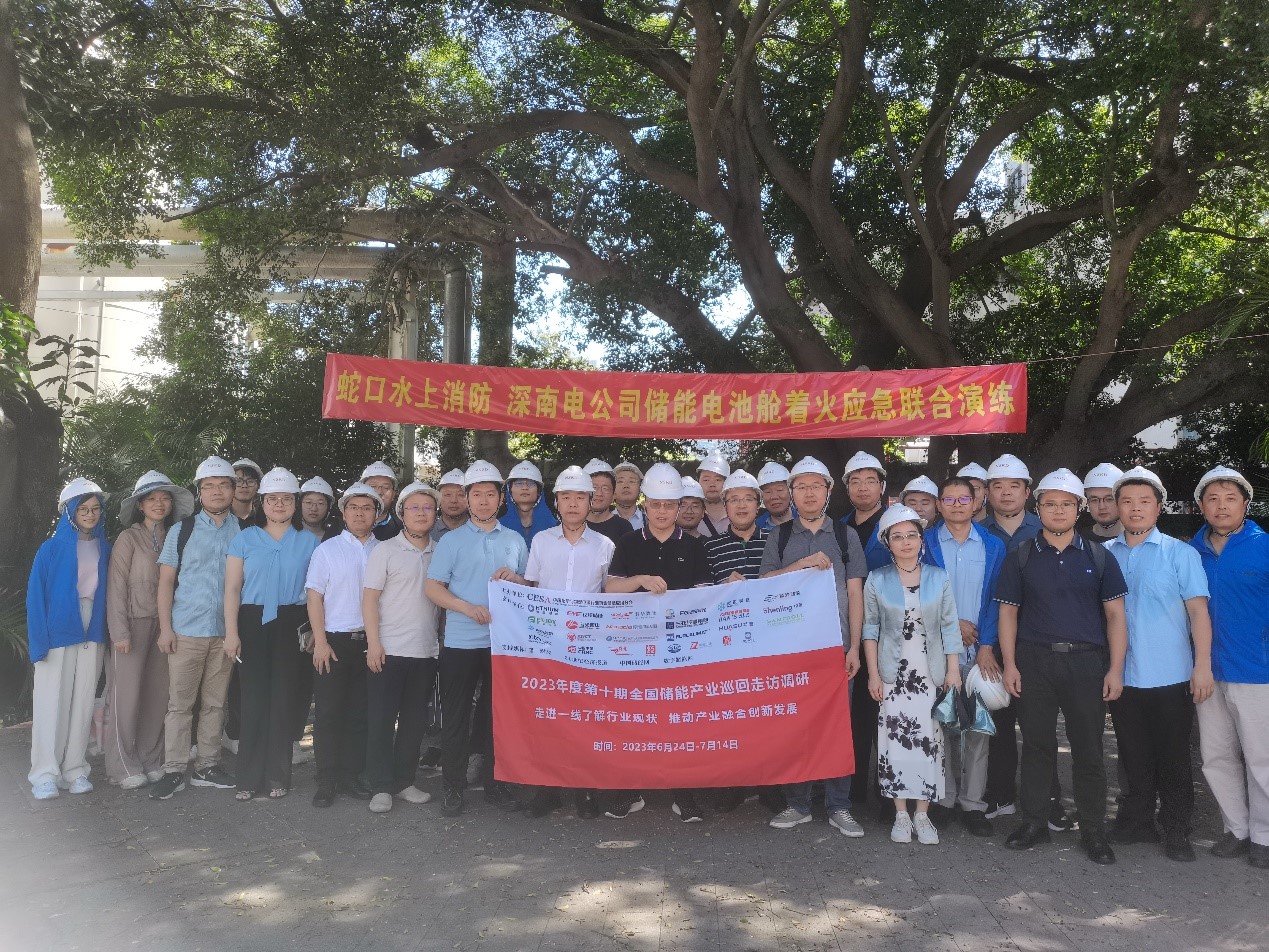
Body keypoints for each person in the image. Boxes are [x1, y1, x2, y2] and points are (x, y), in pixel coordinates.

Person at [996, 468, 1128, 865]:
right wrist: (1010, 664)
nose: (1058, 510)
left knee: (1089, 749)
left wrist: (1115, 669)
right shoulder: (1020, 556)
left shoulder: (1099, 556)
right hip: (1034, 661)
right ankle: (1034, 822)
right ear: (1038, 508)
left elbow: (1116, 616)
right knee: (1037, 746)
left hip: (1087, 663)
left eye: (1066, 504)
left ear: (1079, 508)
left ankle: (1093, 830)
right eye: (1050, 504)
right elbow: (1008, 614)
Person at [1103, 466, 1212, 862]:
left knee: (1174, 757)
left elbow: (1198, 613)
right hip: (1123, 676)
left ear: (1159, 507)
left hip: (1171, 674)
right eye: (1127, 501)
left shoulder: (1180, 554)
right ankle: (1138, 822)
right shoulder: (1104, 554)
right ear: (1116, 507)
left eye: (1144, 501)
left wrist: (1202, 665)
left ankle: (1177, 829)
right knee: (1133, 756)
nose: (1135, 508)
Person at [761, 456, 868, 837]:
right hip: (793, 650)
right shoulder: (780, 536)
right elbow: (766, 584)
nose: (809, 494)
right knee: (796, 726)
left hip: (836, 648)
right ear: (792, 493)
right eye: (801, 487)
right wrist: (802, 565)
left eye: (816, 486)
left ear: (828, 491)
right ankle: (798, 804)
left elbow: (855, 594)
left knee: (838, 728)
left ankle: (839, 805)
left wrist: (854, 647)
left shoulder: (844, 535)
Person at [605, 462, 712, 820]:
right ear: (645, 505)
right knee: (633, 720)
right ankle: (630, 791)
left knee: (682, 722)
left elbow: (705, 595)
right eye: (656, 504)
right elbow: (611, 588)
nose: (662, 511)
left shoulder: (695, 546)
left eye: (669, 505)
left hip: (682, 650)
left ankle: (685, 793)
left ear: (679, 506)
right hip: (636, 649)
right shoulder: (628, 542)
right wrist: (640, 580)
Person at [426, 460, 529, 817]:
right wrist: (467, 609)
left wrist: (518, 580)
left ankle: (494, 784)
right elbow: (433, 588)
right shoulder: (451, 541)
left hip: (503, 644)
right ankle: (452, 786)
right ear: (467, 499)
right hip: (460, 642)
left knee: (496, 716)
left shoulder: (514, 540)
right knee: (455, 716)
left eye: (490, 494)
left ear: (501, 498)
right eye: (477, 495)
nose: (484, 501)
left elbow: (531, 587)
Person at [520, 466, 616, 819]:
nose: (573, 504)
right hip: (548, 645)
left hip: (589, 646)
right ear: (556, 502)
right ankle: (547, 790)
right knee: (547, 718)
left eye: (580, 497)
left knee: (585, 718)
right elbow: (531, 588)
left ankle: (584, 789)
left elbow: (611, 593)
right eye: (565, 497)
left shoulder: (605, 545)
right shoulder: (541, 541)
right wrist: (509, 583)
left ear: (591, 502)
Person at [863, 505, 961, 845]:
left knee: (929, 742)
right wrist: (873, 674)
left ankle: (923, 814)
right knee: (894, 742)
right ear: (887, 542)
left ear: (921, 540)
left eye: (912, 535)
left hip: (930, 673)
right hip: (893, 675)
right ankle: (901, 814)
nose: (905, 542)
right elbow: (870, 629)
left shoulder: (938, 576)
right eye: (897, 536)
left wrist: (953, 670)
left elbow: (949, 626)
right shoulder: (877, 579)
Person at [1189, 466, 1269, 868]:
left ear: (1246, 504)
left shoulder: (1264, 546)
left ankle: (1265, 836)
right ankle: (1235, 829)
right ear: (1201, 506)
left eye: (1230, 498)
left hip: (1257, 670)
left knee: (1261, 757)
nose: (1222, 506)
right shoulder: (1190, 551)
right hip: (1205, 670)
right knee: (1216, 755)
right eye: (1213, 499)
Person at [223, 468, 319, 801]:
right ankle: (248, 779)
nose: (279, 504)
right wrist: (232, 632)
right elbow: (232, 589)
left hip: (292, 622)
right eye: (273, 499)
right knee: (253, 699)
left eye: (286, 499)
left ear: (295, 503)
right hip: (252, 621)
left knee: (283, 699)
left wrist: (314, 630)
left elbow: (316, 592)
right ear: (262, 502)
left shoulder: (309, 542)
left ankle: (279, 776)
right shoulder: (244, 539)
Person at [150, 456, 242, 800]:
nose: (217, 491)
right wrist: (165, 628)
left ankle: (207, 766)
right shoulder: (182, 530)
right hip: (186, 631)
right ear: (199, 492)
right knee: (180, 705)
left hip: (225, 634)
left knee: (215, 704)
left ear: (233, 490)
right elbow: (165, 583)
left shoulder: (244, 531)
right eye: (209, 486)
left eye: (224, 485)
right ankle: (174, 770)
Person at [922, 475, 1006, 837]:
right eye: (949, 499)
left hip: (978, 652)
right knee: (939, 726)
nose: (956, 505)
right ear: (939, 505)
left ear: (976, 503)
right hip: (935, 650)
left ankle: (973, 804)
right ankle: (943, 800)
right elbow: (917, 593)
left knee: (977, 728)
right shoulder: (924, 542)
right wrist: (951, 624)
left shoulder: (993, 545)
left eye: (963, 499)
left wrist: (986, 645)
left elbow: (998, 599)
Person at [103, 471, 193, 789]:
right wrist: (120, 632)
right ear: (140, 505)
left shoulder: (177, 536)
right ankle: (121, 765)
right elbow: (116, 587)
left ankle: (151, 758)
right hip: (132, 624)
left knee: (158, 695)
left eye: (164, 498)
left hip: (166, 626)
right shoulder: (128, 538)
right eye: (152, 498)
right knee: (125, 697)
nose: (159, 503)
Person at [703, 469, 783, 816]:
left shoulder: (776, 540)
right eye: (733, 499)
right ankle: (732, 784)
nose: (741, 505)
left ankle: (770, 786)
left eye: (748, 499)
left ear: (758, 504)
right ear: (725, 506)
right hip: (728, 645)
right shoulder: (710, 546)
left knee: (767, 717)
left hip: (769, 643)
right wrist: (721, 589)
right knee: (730, 716)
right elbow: (697, 595)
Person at [362, 481, 444, 814]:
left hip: (425, 651)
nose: (421, 513)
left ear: (435, 514)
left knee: (414, 722)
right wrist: (373, 644)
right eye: (414, 507)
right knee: (381, 721)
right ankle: (381, 786)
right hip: (388, 650)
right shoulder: (385, 550)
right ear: (401, 513)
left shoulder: (440, 551)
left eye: (427, 508)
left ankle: (404, 781)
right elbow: (369, 600)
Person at [26, 478, 111, 800]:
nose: (90, 514)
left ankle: (75, 768)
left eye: (95, 508)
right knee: (51, 700)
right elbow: (35, 597)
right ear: (70, 512)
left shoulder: (105, 547)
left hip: (92, 627)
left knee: (84, 699)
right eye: (83, 509)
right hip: (57, 628)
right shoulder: (50, 549)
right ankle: (45, 774)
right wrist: (38, 642)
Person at [980, 452, 1049, 823]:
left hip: (1037, 638)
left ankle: (1048, 801)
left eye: (1014, 486)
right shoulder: (977, 532)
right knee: (998, 723)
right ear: (987, 492)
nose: (1005, 493)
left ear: (1027, 492)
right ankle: (1000, 795)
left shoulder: (1046, 529)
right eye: (998, 486)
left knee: (1040, 725)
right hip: (990, 640)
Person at [305, 481, 382, 807]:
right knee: (328, 713)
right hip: (334, 642)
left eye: (366, 508)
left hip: (372, 642)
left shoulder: (384, 550)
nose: (359, 513)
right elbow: (314, 597)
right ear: (343, 512)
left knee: (359, 714)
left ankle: (351, 775)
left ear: (377, 514)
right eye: (353, 508)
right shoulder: (327, 550)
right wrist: (320, 642)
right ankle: (326, 778)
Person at [841, 450, 889, 817]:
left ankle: (888, 792)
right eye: (855, 482)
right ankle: (853, 790)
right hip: (850, 632)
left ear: (882, 487)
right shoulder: (837, 528)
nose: (862, 488)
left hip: (891, 633)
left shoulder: (897, 524)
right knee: (854, 714)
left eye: (870, 481)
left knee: (887, 716)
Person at [500, 459, 558, 547]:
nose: (525, 487)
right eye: (519, 483)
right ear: (510, 489)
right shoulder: (498, 527)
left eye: (531, 483)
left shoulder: (554, 526)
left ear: (539, 491)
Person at [583, 458, 634, 543]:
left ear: (614, 494)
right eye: (594, 487)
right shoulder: (571, 525)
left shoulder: (624, 528)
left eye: (605, 488)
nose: (599, 493)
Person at [1081, 463, 1125, 542]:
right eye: (1094, 500)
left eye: (1109, 499)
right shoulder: (1078, 540)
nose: (1102, 506)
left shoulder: (1140, 539)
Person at [362, 461, 403, 540]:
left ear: (393, 495)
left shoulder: (404, 531)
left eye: (386, 488)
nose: (379, 492)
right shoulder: (342, 529)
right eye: (373, 486)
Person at [696, 450, 731, 538]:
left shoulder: (737, 513)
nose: (712, 484)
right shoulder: (689, 514)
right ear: (698, 482)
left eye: (718, 480)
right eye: (706, 480)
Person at [433, 468, 469, 543]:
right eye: (447, 494)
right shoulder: (427, 532)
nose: (453, 500)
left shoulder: (480, 531)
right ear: (438, 498)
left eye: (460, 495)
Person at [755, 461, 794, 529]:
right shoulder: (755, 529)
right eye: (767, 492)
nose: (774, 497)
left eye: (779, 490)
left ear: (790, 491)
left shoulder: (807, 520)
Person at [299, 476, 339, 541]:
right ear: (299, 505)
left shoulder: (334, 539)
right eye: (308, 502)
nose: (314, 509)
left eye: (320, 503)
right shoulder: (287, 533)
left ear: (328, 507)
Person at [613, 461, 645, 531]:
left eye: (632, 481)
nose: (626, 486)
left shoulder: (649, 521)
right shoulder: (603, 521)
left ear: (640, 489)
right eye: (620, 481)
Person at [230, 458, 262, 526]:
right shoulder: (219, 516)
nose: (244, 485)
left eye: (250, 481)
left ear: (258, 486)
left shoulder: (264, 519)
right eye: (239, 481)